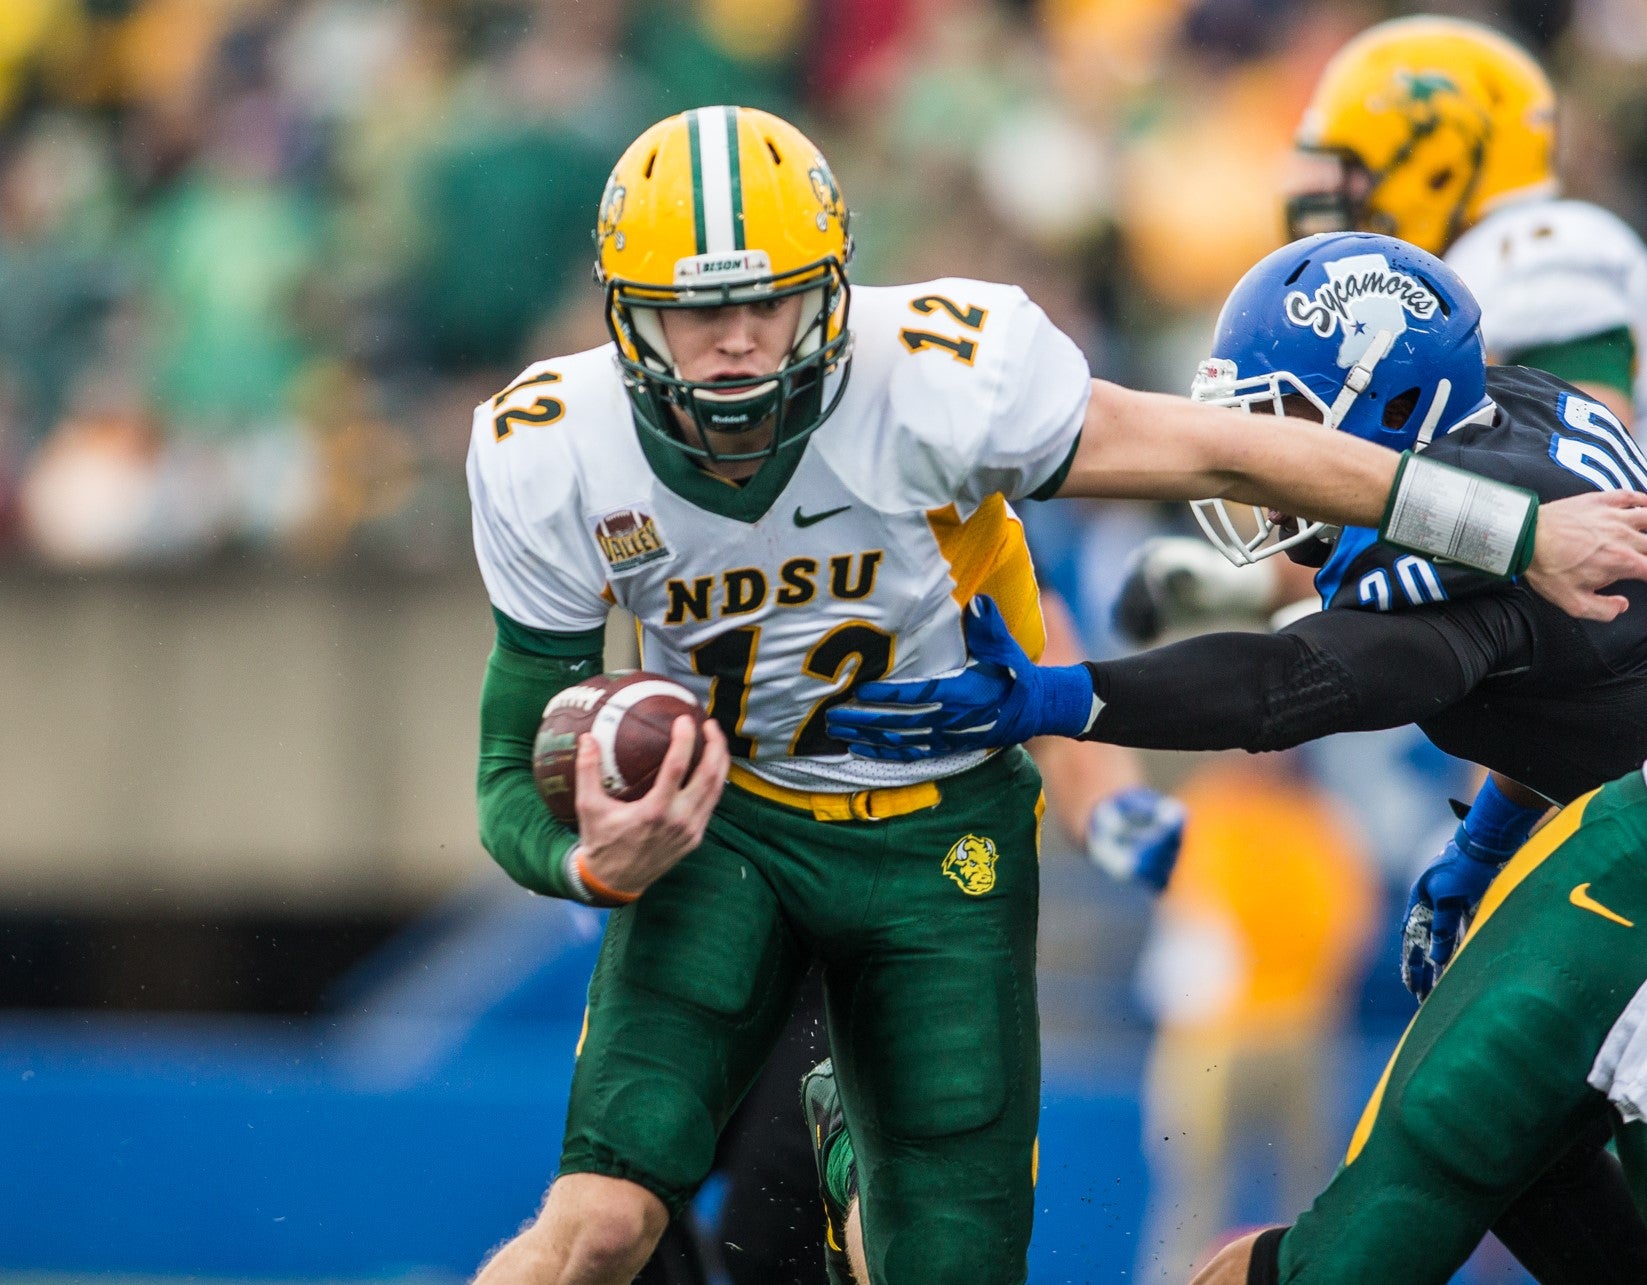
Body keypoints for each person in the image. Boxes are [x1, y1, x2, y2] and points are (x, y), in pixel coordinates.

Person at [465, 103, 1647, 1285]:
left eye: (762, 302)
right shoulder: (551, 445)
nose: (732, 345)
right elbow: (511, 763)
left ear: (827, 283)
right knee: (606, 1225)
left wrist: (1065, 704)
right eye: (692, 311)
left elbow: (1270, 586)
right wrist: (588, 864)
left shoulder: (938, 377)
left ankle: (852, 1164)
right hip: (731, 827)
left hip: (934, 830)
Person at [825, 230, 1647, 1281]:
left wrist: (1065, 698)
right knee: (1528, 1160)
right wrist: (1488, 837)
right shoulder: (1511, 412)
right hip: (1614, 840)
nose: (1263, 456)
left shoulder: (1459, 560)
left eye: (1286, 421)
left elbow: (1289, 683)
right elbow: (1577, 684)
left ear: (1389, 406)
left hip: (1629, 881)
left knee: (1431, 1148)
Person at [1184, 756, 1647, 1284]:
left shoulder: (1310, 817)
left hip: (1310, 1020)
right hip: (1226, 1027)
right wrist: (1486, 835)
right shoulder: (1218, 811)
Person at [1286, 15, 1647, 432]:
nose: (1337, 191)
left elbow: (1581, 455)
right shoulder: (1460, 268)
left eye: (1353, 171)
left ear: (1438, 164)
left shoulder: (1533, 252)